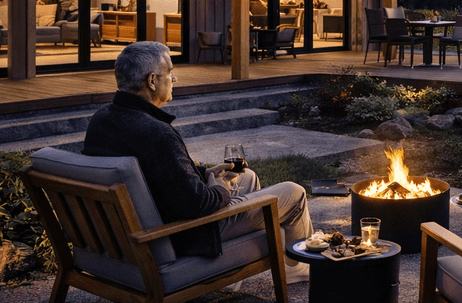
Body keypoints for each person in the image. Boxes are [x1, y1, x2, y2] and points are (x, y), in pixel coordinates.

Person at [82, 41, 311, 282]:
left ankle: (232, 276)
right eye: (170, 72)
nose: (174, 79)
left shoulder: (102, 120)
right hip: (183, 234)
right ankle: (298, 271)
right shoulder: (157, 133)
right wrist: (219, 188)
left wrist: (204, 173)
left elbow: (156, 173)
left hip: (136, 229)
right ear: (152, 81)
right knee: (294, 193)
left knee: (246, 176)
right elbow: (198, 204)